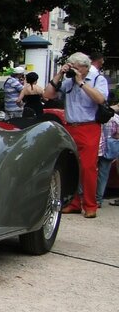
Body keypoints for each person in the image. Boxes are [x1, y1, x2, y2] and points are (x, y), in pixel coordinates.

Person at [43, 52, 109, 218]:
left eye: (76, 67)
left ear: (85, 68)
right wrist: (59, 74)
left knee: (87, 168)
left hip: (89, 127)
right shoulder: (68, 81)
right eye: (71, 66)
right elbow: (48, 95)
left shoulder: (96, 79)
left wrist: (81, 83)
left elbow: (100, 99)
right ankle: (73, 202)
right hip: (71, 126)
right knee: (71, 166)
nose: (73, 70)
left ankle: (90, 205)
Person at [96, 101, 119, 207]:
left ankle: (85, 197)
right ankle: (98, 199)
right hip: (110, 149)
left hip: (97, 147)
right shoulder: (116, 119)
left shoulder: (97, 116)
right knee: (103, 175)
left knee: (90, 172)